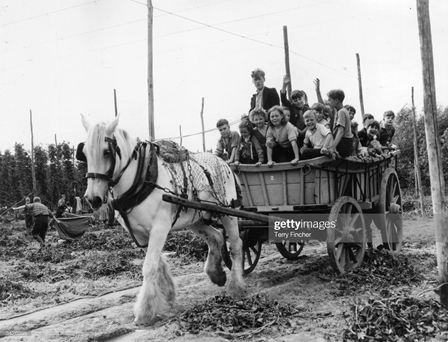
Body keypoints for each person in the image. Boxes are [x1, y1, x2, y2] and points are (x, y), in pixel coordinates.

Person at [326, 89, 354, 158]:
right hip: (347, 142)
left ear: (336, 101)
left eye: (330, 100)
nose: (328, 102)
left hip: (344, 143)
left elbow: (341, 131)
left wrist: (332, 148)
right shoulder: (342, 110)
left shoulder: (341, 112)